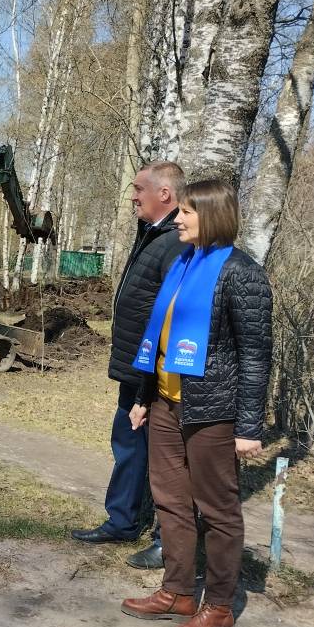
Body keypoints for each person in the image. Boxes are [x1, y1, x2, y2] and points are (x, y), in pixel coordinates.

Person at [120, 179, 273, 627]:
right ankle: (177, 592)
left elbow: (255, 355)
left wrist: (248, 427)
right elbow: (158, 337)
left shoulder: (241, 274)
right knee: (170, 501)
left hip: (214, 410)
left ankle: (220, 607)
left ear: (213, 216)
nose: (179, 219)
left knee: (219, 510)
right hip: (166, 404)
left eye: (187, 212)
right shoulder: (182, 264)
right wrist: (144, 398)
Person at [73, 161, 187, 569]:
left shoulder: (176, 242)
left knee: (165, 458)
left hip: (155, 376)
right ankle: (121, 521)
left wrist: (148, 382)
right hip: (134, 369)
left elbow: (170, 317)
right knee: (127, 445)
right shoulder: (152, 235)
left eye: (139, 189)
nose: (133, 196)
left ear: (164, 194)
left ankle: (164, 539)